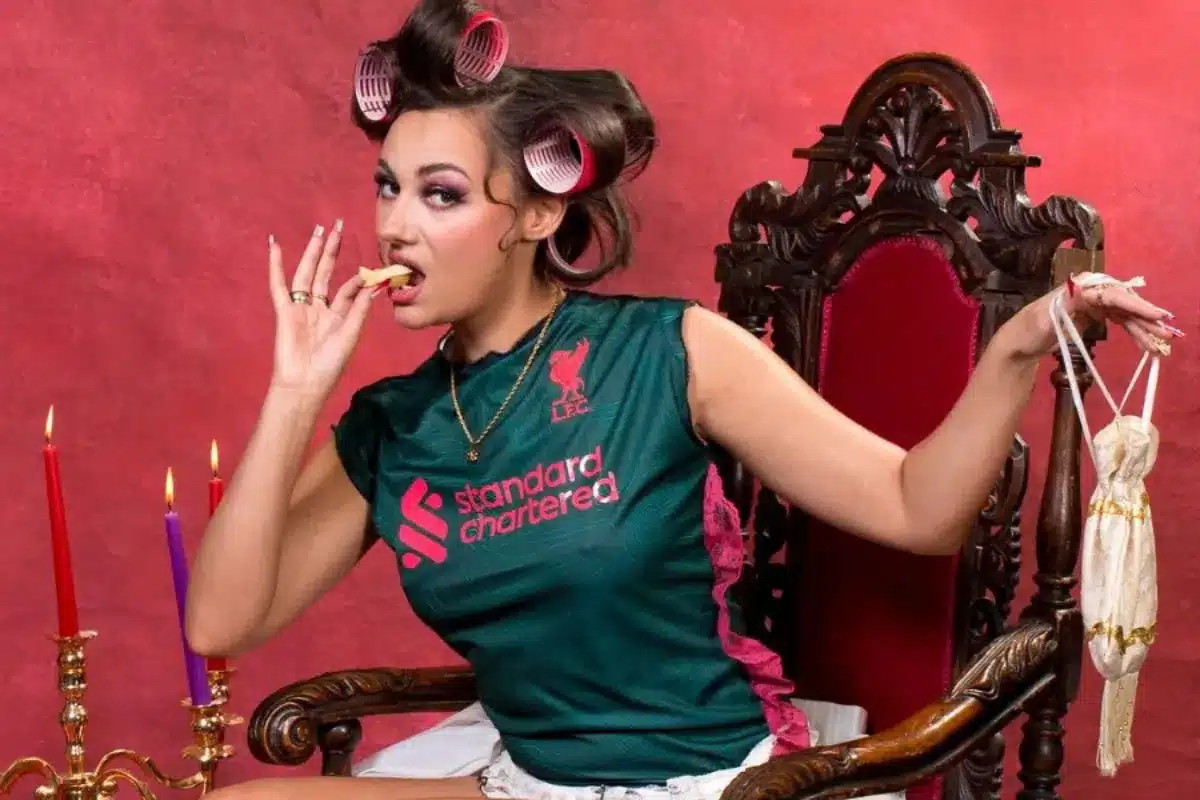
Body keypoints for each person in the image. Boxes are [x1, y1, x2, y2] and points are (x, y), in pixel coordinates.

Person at [187, 1, 1181, 798]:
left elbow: (920, 508)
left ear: (535, 211)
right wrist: (293, 390)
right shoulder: (391, 423)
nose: (396, 226)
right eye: (387, 187)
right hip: (525, 779)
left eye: (441, 194)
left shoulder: (669, 350)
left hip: (708, 779)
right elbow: (220, 623)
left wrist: (1012, 349)